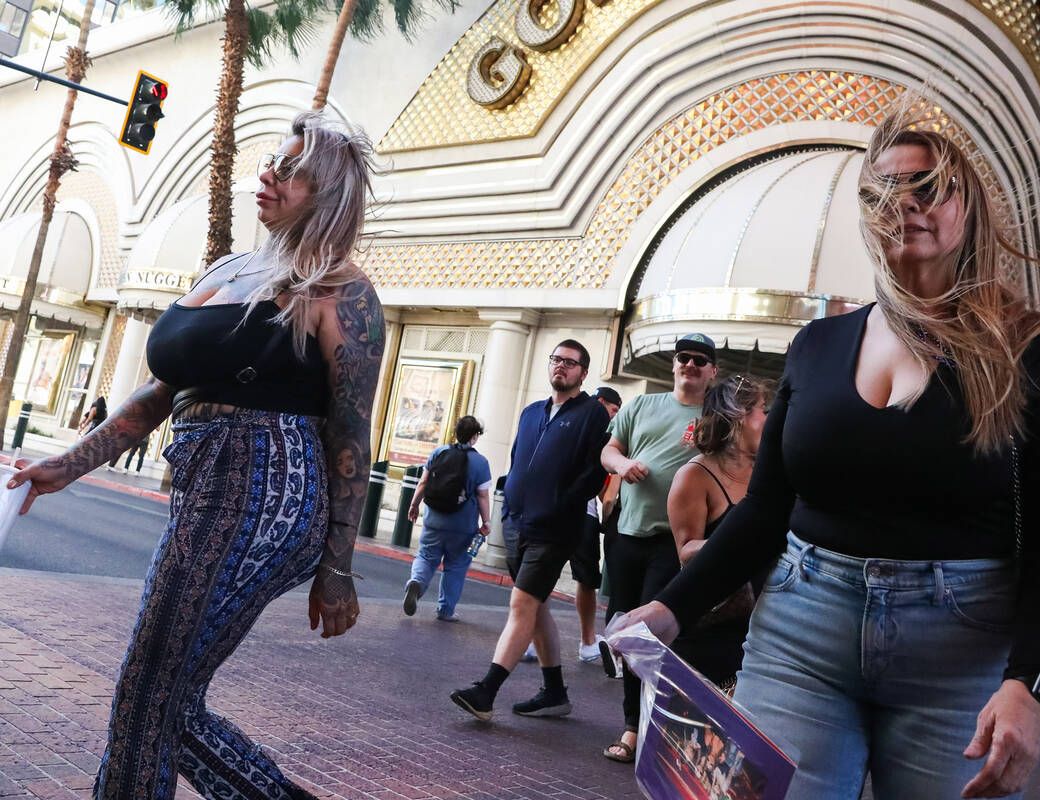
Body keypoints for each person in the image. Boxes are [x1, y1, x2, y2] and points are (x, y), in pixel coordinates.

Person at [611, 107, 1040, 798]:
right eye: (881, 193)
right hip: (798, 636)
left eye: (929, 187)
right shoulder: (817, 345)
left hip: (960, 651)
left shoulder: (1027, 347)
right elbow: (765, 512)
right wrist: (669, 608)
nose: (905, 204)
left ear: (968, 207)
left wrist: (1031, 684)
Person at [9, 111, 382, 800]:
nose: (267, 173)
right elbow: (159, 393)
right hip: (202, 493)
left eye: (289, 169)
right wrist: (66, 464)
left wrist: (338, 567)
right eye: (271, 160)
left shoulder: (343, 291)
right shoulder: (230, 269)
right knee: (157, 697)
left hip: (270, 492)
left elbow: (351, 438)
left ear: (325, 193)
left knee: (150, 691)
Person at [450, 340, 610, 721]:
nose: (561, 367)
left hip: (555, 529)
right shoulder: (531, 412)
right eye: (556, 360)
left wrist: (562, 504)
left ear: (583, 373)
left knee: (521, 604)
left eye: (570, 363)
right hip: (518, 523)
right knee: (535, 608)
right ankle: (555, 693)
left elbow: (595, 472)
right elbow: (519, 457)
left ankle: (486, 691)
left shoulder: (592, 414)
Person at [599, 332, 718, 763]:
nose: (690, 365)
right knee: (629, 635)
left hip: (678, 543)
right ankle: (633, 726)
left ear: (712, 371)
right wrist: (623, 464)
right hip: (628, 535)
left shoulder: (717, 417)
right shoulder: (642, 406)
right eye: (684, 357)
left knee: (656, 635)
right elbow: (609, 451)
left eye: (700, 360)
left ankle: (658, 728)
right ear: (674, 364)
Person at [666, 375, 772, 692]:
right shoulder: (695, 475)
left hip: (763, 629)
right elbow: (685, 550)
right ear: (739, 415)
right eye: (763, 410)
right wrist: (737, 543)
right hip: (713, 628)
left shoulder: (768, 472)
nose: (769, 418)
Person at [403, 415, 491, 621]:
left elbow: (423, 483)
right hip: (462, 525)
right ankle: (445, 610)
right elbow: (482, 496)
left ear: (456, 433)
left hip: (434, 520)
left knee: (425, 556)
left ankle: (416, 582)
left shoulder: (438, 453)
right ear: (475, 436)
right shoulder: (480, 462)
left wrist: (414, 505)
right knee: (456, 566)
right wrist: (486, 522)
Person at [572, 386, 622, 663]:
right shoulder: (603, 431)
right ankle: (587, 641)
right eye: (613, 410)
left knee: (543, 575)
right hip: (584, 513)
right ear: (602, 403)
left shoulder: (569, 420)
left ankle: (531, 639)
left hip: (558, 511)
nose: (614, 417)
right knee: (586, 580)